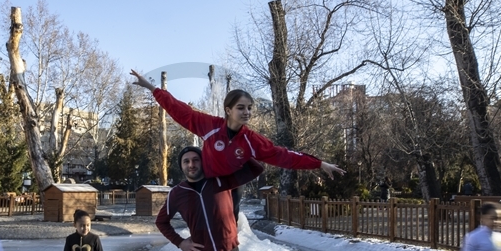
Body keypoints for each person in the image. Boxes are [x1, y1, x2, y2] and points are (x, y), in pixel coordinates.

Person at [131, 70, 344, 218]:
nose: (247, 112)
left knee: (227, 231)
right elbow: (178, 109)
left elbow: (284, 156)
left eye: (249, 108)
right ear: (228, 110)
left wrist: (319, 163)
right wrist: (151, 87)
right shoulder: (210, 126)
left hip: (231, 189)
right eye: (241, 108)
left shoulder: (251, 140)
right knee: (204, 224)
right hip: (207, 185)